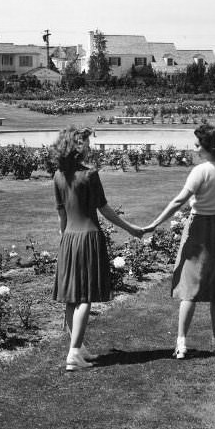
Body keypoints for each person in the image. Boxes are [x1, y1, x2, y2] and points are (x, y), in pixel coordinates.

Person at [52, 126, 145, 371]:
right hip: (89, 237)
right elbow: (104, 209)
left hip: (69, 239)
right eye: (85, 142)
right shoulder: (90, 175)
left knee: (72, 297)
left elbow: (61, 215)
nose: (89, 147)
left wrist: (64, 240)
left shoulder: (58, 176)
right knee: (85, 298)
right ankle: (73, 354)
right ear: (76, 147)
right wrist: (131, 228)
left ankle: (78, 346)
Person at [145, 124, 215, 358]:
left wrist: (154, 224)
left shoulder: (201, 171)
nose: (195, 149)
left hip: (198, 229)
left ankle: (182, 344)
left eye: (197, 145)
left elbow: (179, 202)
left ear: (206, 147)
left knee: (189, 289)